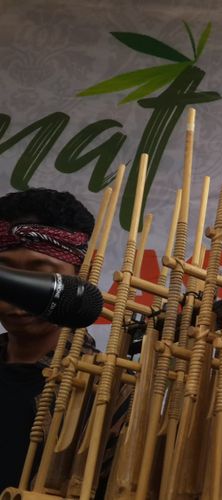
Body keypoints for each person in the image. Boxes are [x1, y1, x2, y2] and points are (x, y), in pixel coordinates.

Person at [0, 188, 97, 490]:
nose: (15, 301)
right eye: (7, 276)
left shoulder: (103, 391)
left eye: (40, 278)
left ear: (82, 276)